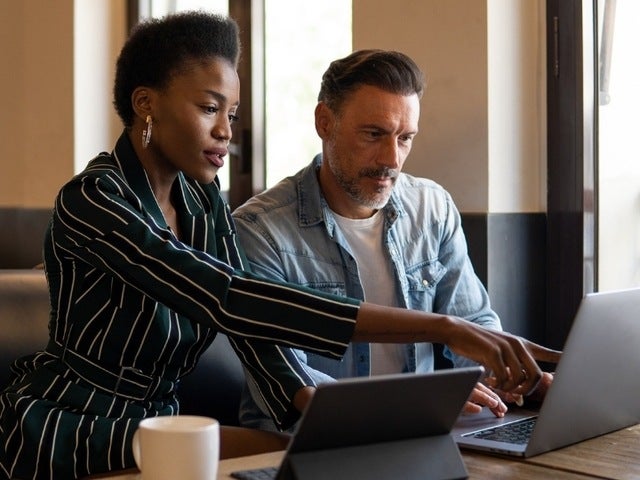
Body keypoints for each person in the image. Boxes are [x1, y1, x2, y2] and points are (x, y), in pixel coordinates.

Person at [0, 13, 558, 480]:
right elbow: (232, 298)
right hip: (68, 425)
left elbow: (253, 334)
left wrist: (321, 411)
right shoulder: (92, 200)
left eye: (233, 114)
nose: (227, 131)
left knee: (305, 463)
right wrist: (440, 326)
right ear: (146, 105)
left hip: (164, 426)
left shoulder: (201, 200)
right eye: (209, 108)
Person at [233, 49, 555, 432]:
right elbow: (291, 381)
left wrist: (512, 379)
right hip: (303, 441)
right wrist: (420, 403)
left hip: (425, 430)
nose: (392, 159)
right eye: (374, 134)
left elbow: (474, 325)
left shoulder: (431, 207)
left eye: (406, 138)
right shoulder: (259, 230)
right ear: (324, 122)